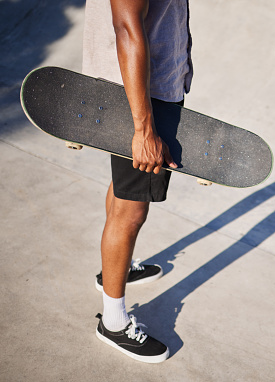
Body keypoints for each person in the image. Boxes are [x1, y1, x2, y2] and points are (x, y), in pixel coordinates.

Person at [82, 0, 193, 363]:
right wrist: (144, 128)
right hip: (141, 95)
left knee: (123, 192)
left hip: (140, 87)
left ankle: (116, 268)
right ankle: (113, 323)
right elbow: (127, 26)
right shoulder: (142, 112)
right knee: (131, 212)